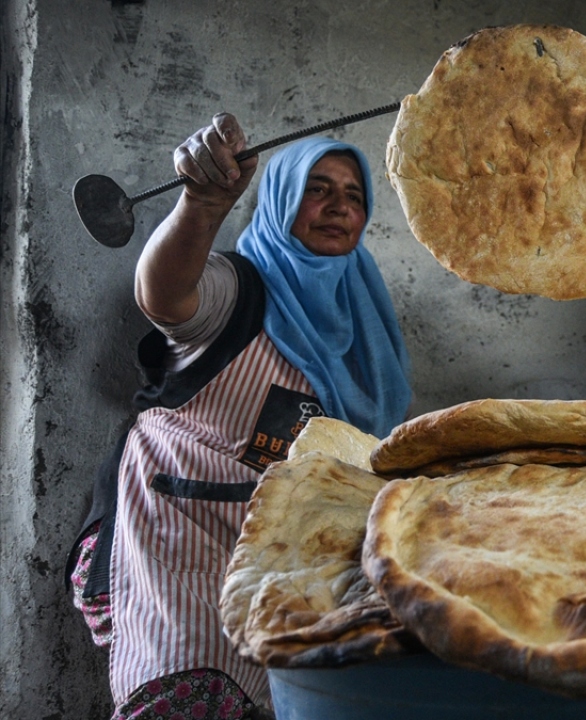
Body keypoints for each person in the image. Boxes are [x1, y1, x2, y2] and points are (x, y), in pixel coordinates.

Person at [65, 113, 413, 718]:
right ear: (281, 198)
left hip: (280, 562)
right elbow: (166, 296)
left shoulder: (365, 328)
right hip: (171, 550)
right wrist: (202, 206)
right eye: (319, 188)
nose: (338, 206)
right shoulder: (240, 285)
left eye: (354, 197)